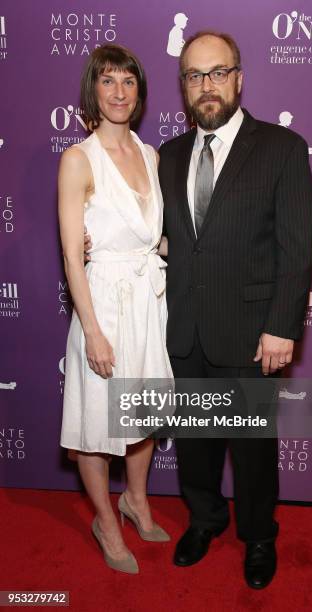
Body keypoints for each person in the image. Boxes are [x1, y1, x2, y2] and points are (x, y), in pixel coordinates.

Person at [158, 31, 312, 588]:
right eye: (195, 76)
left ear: (239, 78)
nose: (207, 86)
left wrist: (280, 327)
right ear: (183, 86)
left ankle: (258, 535)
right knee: (196, 444)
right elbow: (162, 236)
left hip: (252, 333)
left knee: (251, 452)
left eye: (217, 72)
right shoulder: (169, 156)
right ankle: (204, 520)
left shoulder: (281, 148)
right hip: (186, 330)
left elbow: (298, 248)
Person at [59, 44, 172, 574]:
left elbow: (156, 238)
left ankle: (137, 502)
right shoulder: (78, 159)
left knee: (142, 414)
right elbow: (71, 255)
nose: (120, 92)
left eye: (129, 81)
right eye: (108, 81)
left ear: (139, 92)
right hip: (102, 302)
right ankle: (106, 520)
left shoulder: (151, 156)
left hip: (148, 303)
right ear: (94, 90)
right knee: (97, 426)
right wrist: (93, 330)